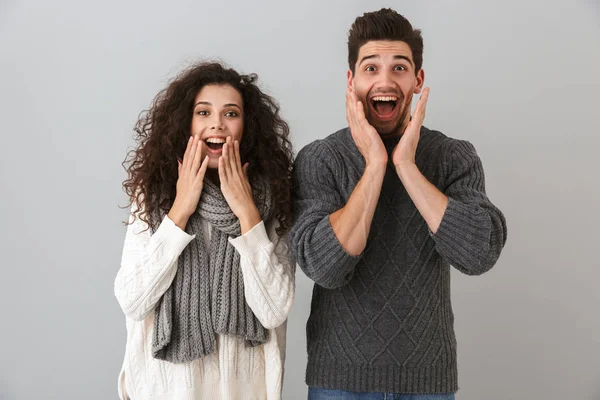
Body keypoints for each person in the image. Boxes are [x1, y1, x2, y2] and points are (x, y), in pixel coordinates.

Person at [291, 9, 507, 400]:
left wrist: (405, 165)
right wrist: (376, 165)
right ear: (351, 81)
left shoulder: (452, 157)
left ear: (418, 79)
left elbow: (479, 253)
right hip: (339, 384)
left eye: (399, 68)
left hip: (428, 384)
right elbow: (324, 267)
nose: (385, 80)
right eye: (370, 68)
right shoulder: (321, 158)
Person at [115, 61, 296, 400]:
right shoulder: (154, 197)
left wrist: (247, 214)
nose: (217, 124)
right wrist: (180, 209)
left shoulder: (272, 200)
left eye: (231, 114)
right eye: (203, 112)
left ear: (247, 126)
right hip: (165, 389)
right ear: (186, 123)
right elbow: (133, 301)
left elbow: (274, 310)